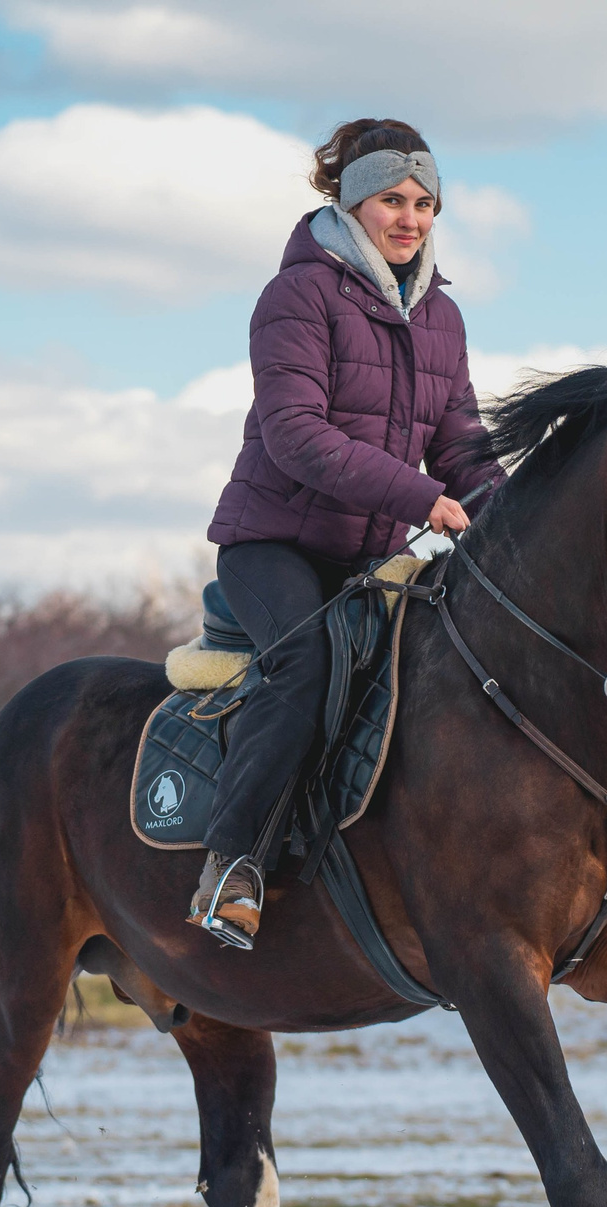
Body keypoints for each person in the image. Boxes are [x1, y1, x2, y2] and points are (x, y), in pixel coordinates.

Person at [190, 118, 505, 948]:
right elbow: (297, 433)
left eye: (425, 203)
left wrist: (509, 514)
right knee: (309, 662)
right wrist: (424, 495)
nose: (410, 218)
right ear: (351, 201)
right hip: (273, 544)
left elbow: (461, 442)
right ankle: (232, 865)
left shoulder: (443, 316)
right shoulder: (297, 295)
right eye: (391, 200)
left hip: (370, 555)